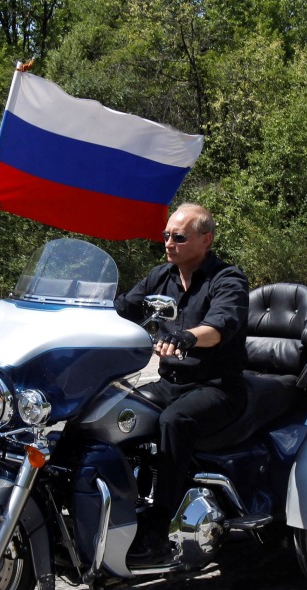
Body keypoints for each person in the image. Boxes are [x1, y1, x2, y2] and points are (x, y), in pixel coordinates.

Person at [115, 203, 249, 564]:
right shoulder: (162, 276)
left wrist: (188, 337)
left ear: (205, 240)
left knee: (174, 422)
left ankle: (159, 530)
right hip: (168, 383)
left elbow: (221, 326)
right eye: (166, 235)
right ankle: (118, 512)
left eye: (178, 237)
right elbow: (124, 307)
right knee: (115, 411)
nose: (168, 243)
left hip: (216, 386)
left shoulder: (227, 279)